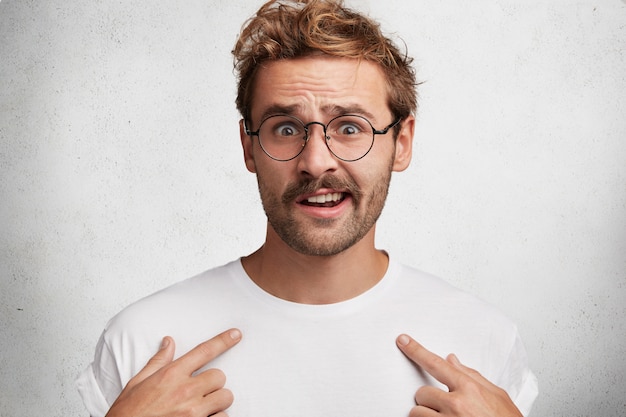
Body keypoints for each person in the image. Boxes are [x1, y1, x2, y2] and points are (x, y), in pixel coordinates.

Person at [76, 1, 538, 416]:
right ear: (249, 147)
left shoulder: (485, 340)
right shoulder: (142, 340)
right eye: (285, 129)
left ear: (402, 143)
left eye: (350, 128)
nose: (316, 161)